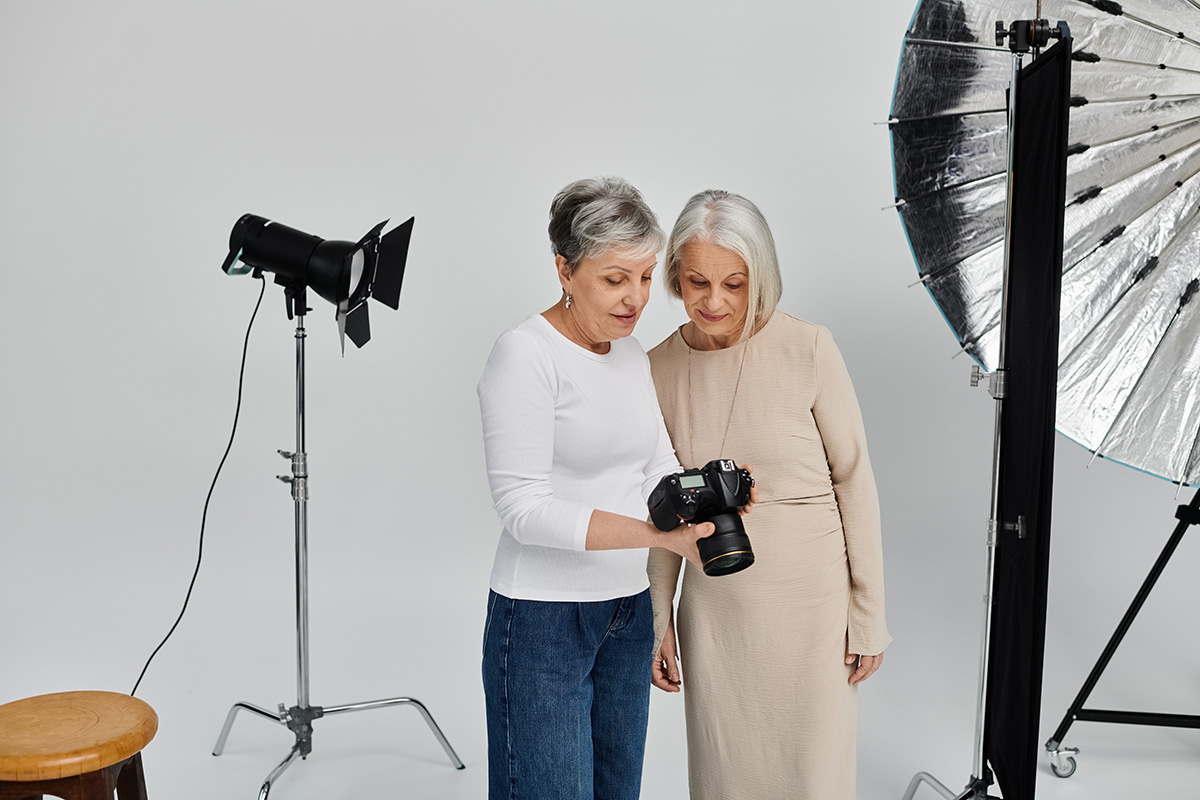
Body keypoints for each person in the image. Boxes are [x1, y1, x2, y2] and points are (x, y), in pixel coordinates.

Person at [646, 190, 891, 800]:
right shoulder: (656, 367)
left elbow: (855, 479)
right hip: (717, 611)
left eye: (734, 283)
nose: (714, 302)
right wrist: (660, 619)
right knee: (725, 776)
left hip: (811, 610)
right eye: (698, 281)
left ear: (761, 276)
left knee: (811, 779)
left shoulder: (809, 348)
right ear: (676, 273)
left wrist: (869, 616)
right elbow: (654, 505)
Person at [477, 177, 713, 800]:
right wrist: (655, 534)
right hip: (540, 623)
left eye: (643, 276)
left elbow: (657, 468)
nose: (636, 297)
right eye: (615, 279)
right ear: (565, 268)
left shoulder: (630, 354)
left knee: (616, 791)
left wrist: (711, 497)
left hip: (628, 613)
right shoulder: (525, 355)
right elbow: (524, 509)